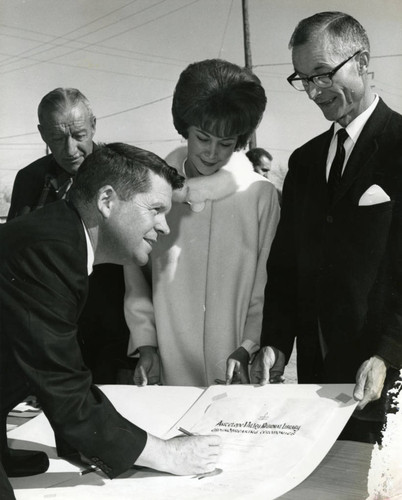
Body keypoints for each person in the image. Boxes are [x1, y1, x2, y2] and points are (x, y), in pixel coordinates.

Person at [0, 143, 221, 489]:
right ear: (106, 201)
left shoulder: (62, 238)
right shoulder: (49, 251)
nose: (164, 226)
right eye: (156, 209)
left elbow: (21, 354)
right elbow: (62, 384)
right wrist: (167, 454)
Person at [251, 11, 402, 443]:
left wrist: (389, 354)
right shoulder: (303, 162)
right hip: (317, 391)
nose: (314, 91)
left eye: (321, 74)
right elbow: (285, 268)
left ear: (362, 61)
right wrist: (276, 343)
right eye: (303, 79)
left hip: (385, 379)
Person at [124, 59, 280, 387]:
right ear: (185, 128)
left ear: (240, 140)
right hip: (168, 374)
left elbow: (264, 287)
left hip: (238, 371)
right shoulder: (151, 192)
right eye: (202, 138)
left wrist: (249, 346)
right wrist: (146, 344)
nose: (211, 153)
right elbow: (135, 280)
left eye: (225, 143)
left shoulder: (260, 196)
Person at [8, 87, 130, 384]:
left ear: (93, 125)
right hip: (46, 338)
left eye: (78, 135)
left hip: (114, 333)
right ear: (41, 134)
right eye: (57, 138)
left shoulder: (126, 174)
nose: (70, 149)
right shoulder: (30, 179)